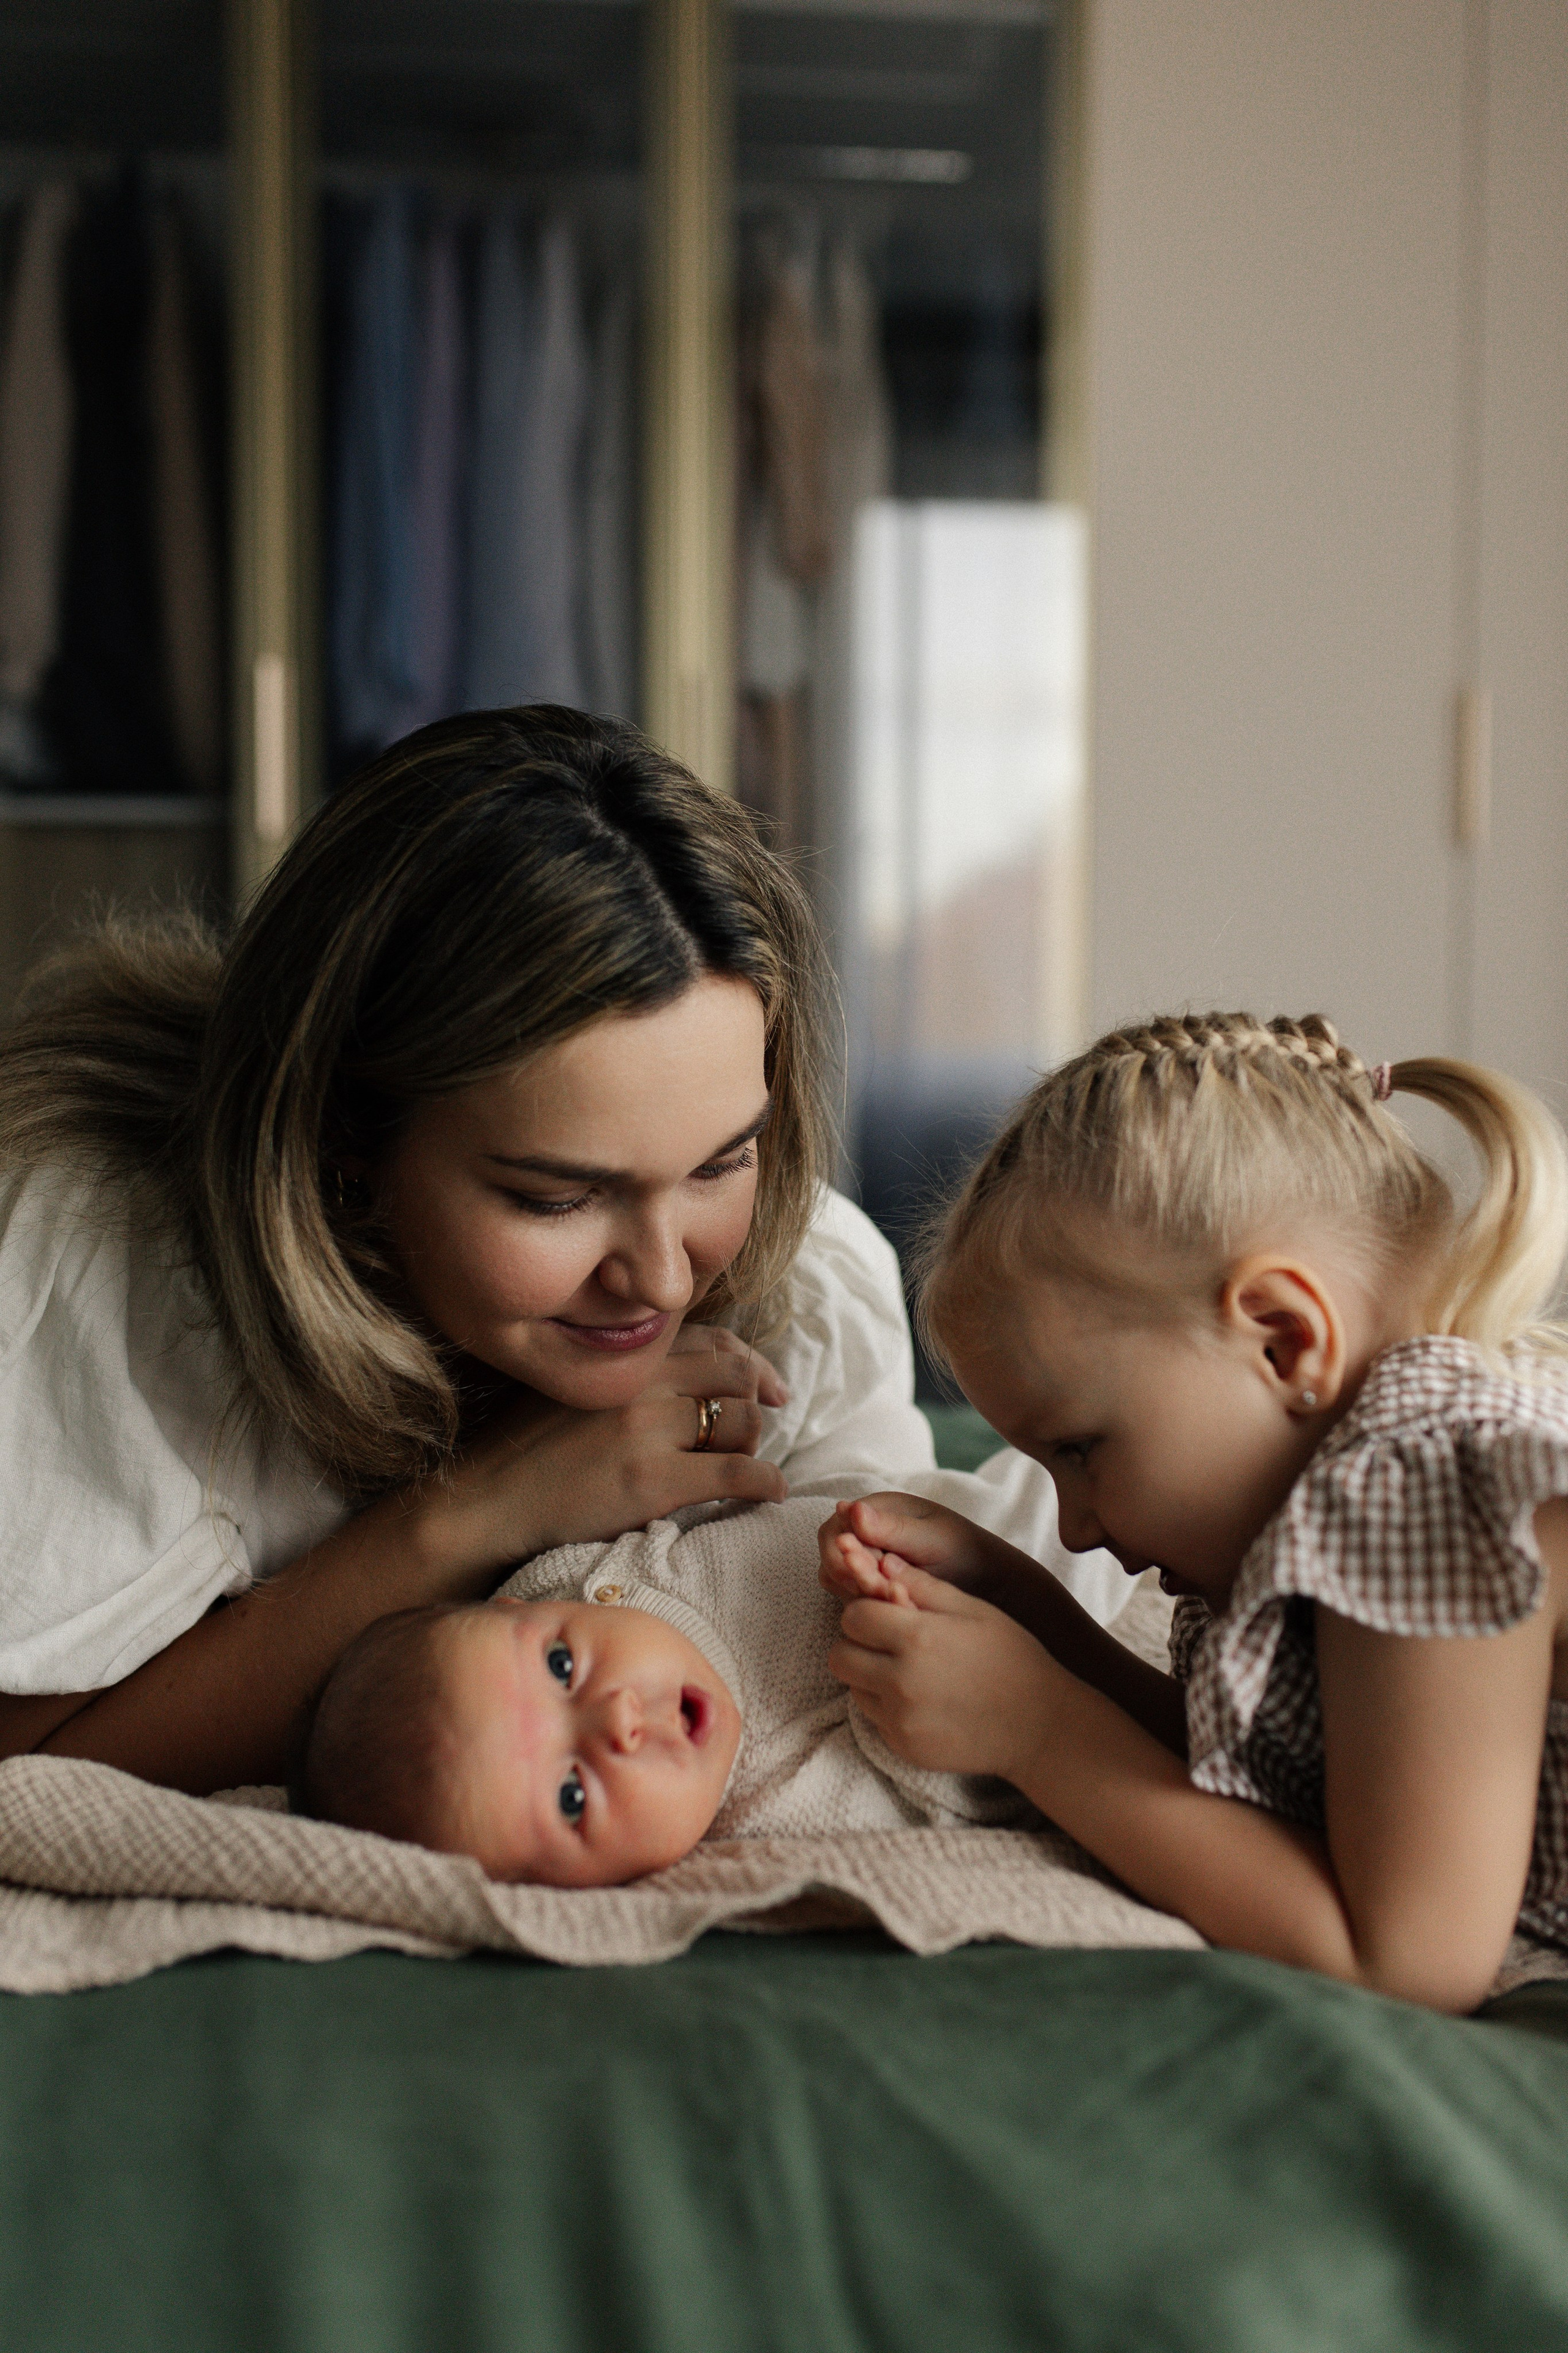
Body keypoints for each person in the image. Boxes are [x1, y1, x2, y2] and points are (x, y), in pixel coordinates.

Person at [0, 705, 1118, 1797]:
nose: (667, 1278)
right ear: (343, 1140)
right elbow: (31, 1765)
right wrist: (476, 1512)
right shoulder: (98, 1258)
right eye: (559, 1198)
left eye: (722, 1160)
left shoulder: (805, 1280)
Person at [818, 1012, 1568, 2014]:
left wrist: (1038, 1730)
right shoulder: (1346, 1487)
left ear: (1282, 1340)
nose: (1078, 1527)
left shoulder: (1421, 1477)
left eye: (1082, 1450)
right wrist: (1027, 1611)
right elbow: (1277, 1784)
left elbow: (1404, 1960)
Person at [299, 1495, 1028, 1885]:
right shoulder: (783, 1821)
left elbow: (706, 1502)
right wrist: (899, 1636)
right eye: (571, 1796)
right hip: (1010, 1624)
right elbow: (978, 1789)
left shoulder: (580, 1580)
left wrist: (851, 1538)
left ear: (521, 1608)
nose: (616, 1714)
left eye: (560, 1668)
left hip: (892, 1504)